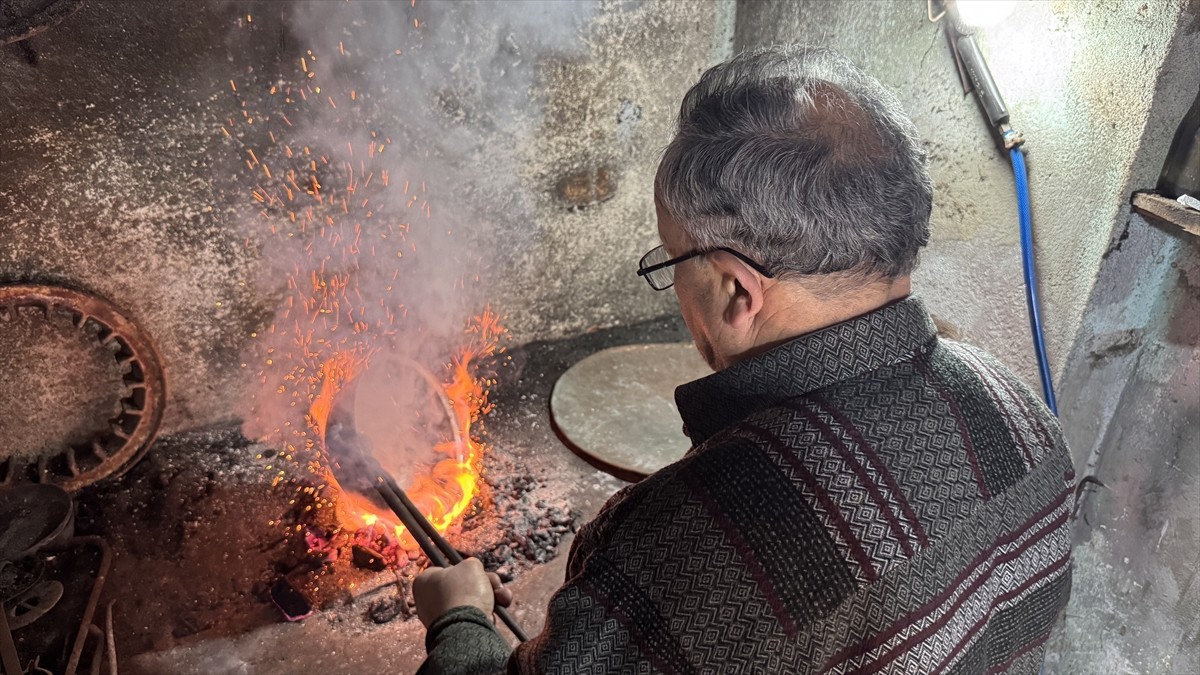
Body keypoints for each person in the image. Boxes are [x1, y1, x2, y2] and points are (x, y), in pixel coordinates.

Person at [413, 44, 1073, 674]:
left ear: (735, 288)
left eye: (672, 261)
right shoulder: (1026, 415)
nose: (674, 289)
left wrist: (460, 617)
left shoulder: (693, 541)